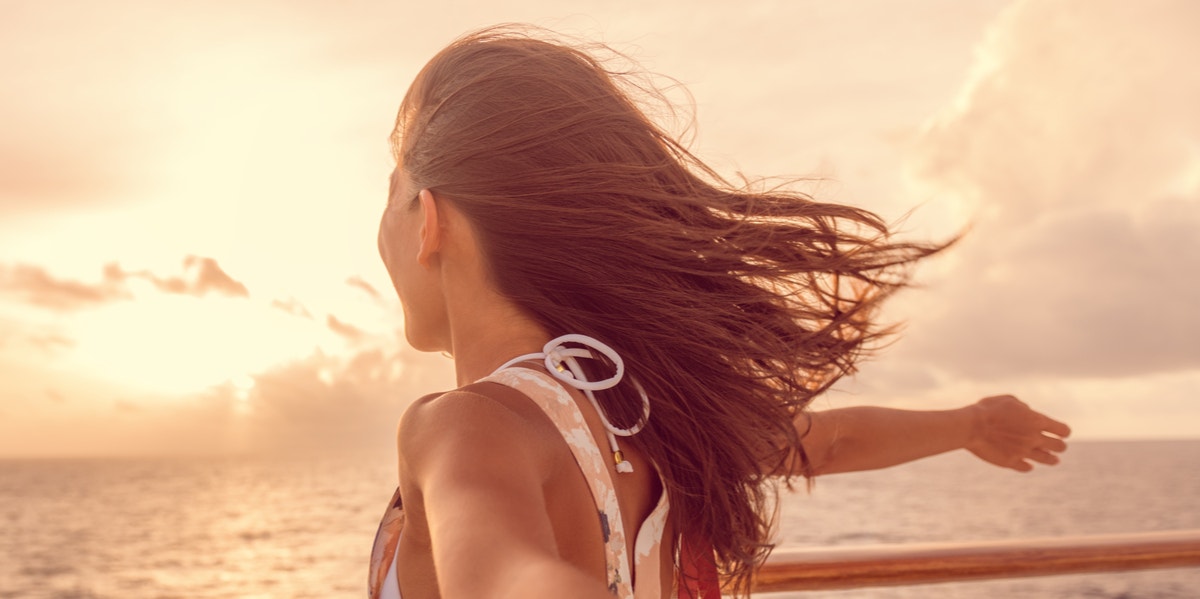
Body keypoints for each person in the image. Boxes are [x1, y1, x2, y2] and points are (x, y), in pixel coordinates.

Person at [369, 25, 1070, 599]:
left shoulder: (461, 425)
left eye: (390, 188)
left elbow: (507, 579)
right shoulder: (651, 415)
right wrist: (972, 423)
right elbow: (824, 441)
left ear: (429, 220)